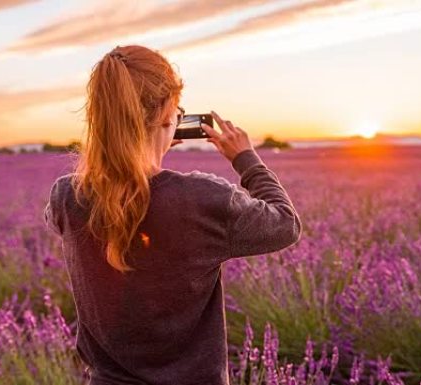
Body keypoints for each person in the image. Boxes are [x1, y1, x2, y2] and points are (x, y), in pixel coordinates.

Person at [44, 44, 302, 385]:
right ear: (168, 115)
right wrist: (246, 159)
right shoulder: (202, 199)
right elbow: (286, 224)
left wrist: (140, 153)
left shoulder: (67, 196)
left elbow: (104, 201)